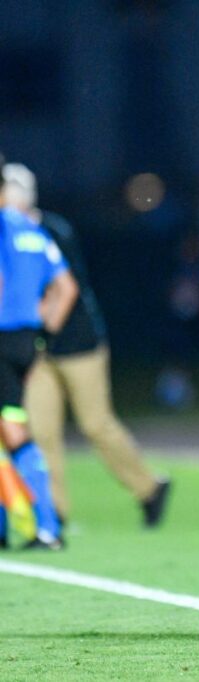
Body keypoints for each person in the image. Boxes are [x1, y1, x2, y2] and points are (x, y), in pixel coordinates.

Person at [2, 163, 171, 528]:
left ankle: (149, 487)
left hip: (77, 344)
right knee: (41, 431)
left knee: (96, 424)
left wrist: (35, 332)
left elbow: (63, 291)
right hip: (36, 349)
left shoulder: (51, 231)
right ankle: (53, 514)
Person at [0, 160, 79, 549]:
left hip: (1, 339)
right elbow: (66, 289)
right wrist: (42, 336)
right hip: (27, 341)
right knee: (10, 423)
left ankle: (46, 525)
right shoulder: (35, 232)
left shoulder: (4, 227)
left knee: (12, 431)